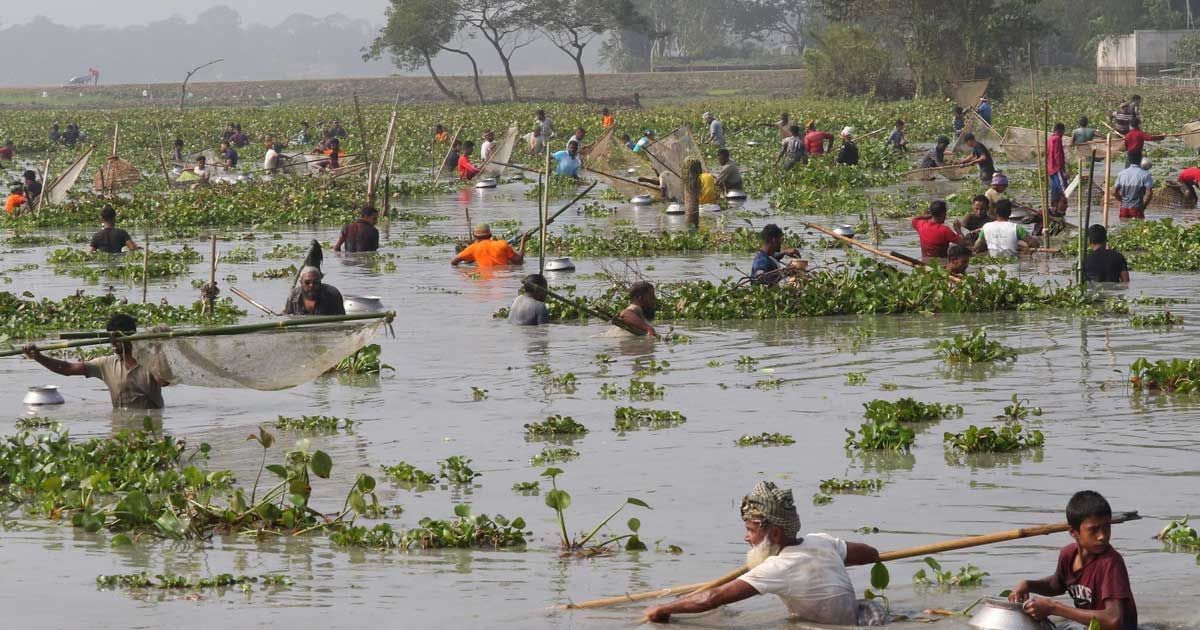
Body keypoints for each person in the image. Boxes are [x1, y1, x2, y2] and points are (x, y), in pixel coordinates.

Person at [644, 481, 883, 625]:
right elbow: (869, 554)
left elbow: (712, 598)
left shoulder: (778, 568)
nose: (747, 537)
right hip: (864, 619)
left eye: (751, 530)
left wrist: (663, 609)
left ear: (775, 534)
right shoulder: (821, 541)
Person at [1009, 491, 1137, 630]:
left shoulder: (1110, 562)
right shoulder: (1068, 555)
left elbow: (1113, 620)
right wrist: (1027, 584)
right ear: (1074, 533)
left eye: (1106, 527)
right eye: (1093, 530)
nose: (1102, 536)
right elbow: (1055, 585)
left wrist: (1053, 607)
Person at [22, 313, 168, 409]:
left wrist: (158, 351)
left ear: (130, 337)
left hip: (151, 425)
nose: (114, 343)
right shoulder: (106, 364)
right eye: (112, 339)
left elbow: (164, 381)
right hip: (120, 424)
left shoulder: (150, 361)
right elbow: (67, 368)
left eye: (118, 339)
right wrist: (38, 357)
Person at [451, 224, 528, 267]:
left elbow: (453, 262)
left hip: (482, 278)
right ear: (490, 235)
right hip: (503, 278)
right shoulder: (502, 244)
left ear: (475, 236)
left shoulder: (472, 248)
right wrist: (523, 242)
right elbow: (519, 262)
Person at [1047, 123, 1068, 205]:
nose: (1063, 134)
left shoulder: (1050, 139)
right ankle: (1062, 206)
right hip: (1056, 168)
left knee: (1055, 188)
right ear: (1060, 131)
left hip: (1051, 168)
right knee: (1064, 188)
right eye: (1063, 132)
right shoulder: (1057, 139)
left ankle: (1054, 206)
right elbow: (1057, 155)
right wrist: (1062, 170)